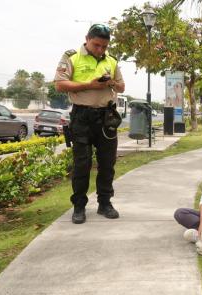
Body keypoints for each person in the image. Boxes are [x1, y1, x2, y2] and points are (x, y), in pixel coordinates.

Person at [54, 24, 125, 224]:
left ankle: (105, 203)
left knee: (107, 162)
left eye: (104, 46)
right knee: (81, 164)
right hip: (82, 116)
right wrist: (90, 85)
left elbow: (121, 86)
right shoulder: (72, 57)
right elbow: (59, 84)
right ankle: (79, 206)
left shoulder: (111, 60)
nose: (100, 50)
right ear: (87, 39)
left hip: (106, 117)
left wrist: (110, 83)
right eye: (96, 45)